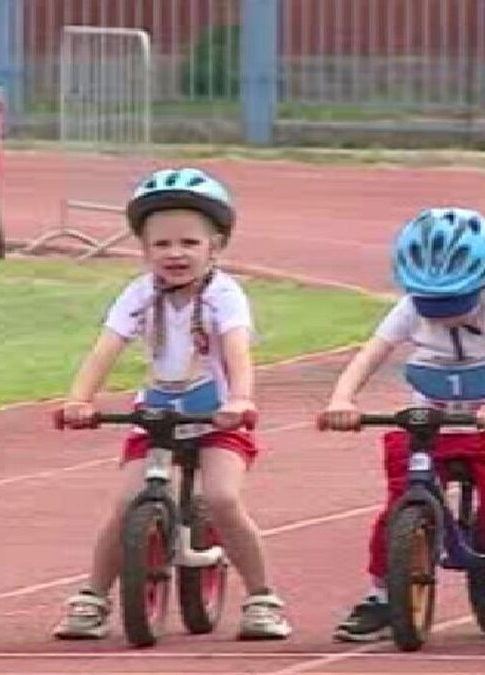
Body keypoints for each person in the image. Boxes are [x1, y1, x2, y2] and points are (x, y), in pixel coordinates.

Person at [53, 167, 292, 640]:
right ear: (143, 249)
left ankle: (263, 597)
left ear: (216, 246)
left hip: (216, 415)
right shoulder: (139, 294)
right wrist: (80, 399)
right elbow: (106, 347)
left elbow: (237, 349)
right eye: (161, 244)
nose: (175, 254)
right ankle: (94, 597)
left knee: (222, 498)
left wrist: (241, 399)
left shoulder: (225, 295)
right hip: (157, 415)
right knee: (124, 503)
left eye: (189, 242)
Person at [320, 207, 485, 646]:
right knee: (396, 508)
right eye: (431, 302)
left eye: (452, 303)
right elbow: (371, 354)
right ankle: (380, 596)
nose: (440, 314)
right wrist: (341, 400)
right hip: (431, 429)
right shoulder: (409, 310)